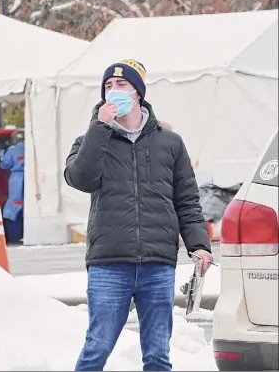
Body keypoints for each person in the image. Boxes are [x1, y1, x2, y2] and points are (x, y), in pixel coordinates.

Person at [64, 59, 214, 371]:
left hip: (157, 263)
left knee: (158, 355)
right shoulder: (91, 139)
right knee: (97, 347)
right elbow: (80, 178)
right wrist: (100, 128)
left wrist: (199, 244)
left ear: (138, 93)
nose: (113, 91)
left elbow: (187, 200)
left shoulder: (169, 143)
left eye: (121, 85)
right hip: (109, 262)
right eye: (108, 86)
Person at [0, 129, 25, 243]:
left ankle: (13, 233)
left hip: (16, 178)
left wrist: (1, 155)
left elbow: (4, 164)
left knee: (14, 204)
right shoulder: (29, 148)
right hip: (29, 178)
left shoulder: (12, 150)